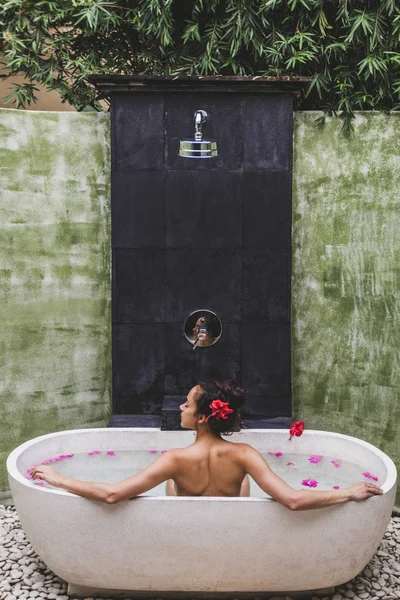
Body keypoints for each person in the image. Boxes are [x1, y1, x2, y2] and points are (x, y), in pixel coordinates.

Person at [31, 380, 383, 508]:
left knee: (171, 478)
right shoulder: (245, 454)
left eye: (186, 404)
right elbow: (292, 498)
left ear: (201, 417)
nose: (181, 408)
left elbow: (112, 495)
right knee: (243, 477)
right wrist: (348, 493)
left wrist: (58, 478)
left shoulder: (174, 459)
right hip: (231, 517)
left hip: (186, 517)